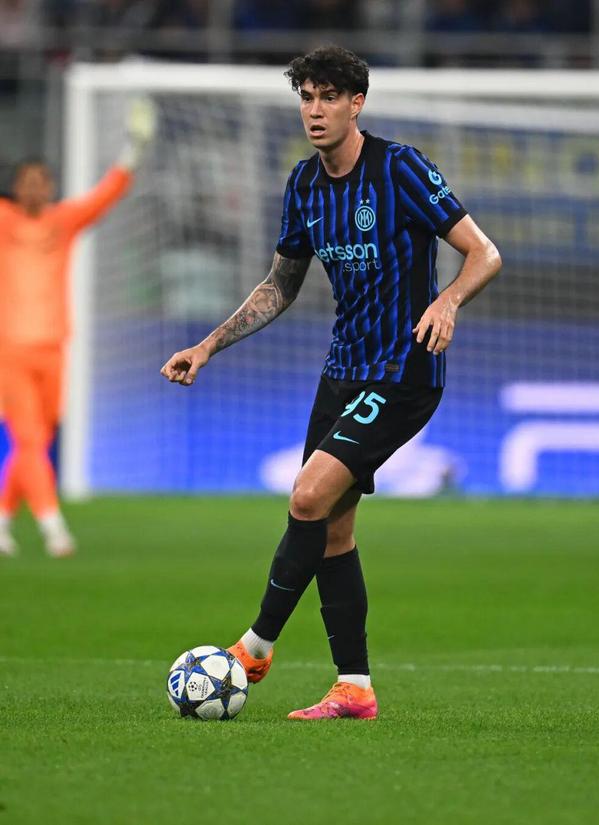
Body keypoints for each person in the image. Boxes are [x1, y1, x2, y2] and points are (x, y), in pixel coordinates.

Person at [161, 46, 501, 720]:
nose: (314, 110)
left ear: (356, 104)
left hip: (403, 371)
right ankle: (355, 686)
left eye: (328, 97)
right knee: (333, 531)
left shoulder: (400, 168)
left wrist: (448, 301)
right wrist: (207, 344)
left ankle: (255, 646)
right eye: (307, 97)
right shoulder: (304, 184)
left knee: (307, 495)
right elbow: (279, 285)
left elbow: (483, 253)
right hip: (342, 371)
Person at [0, 99, 156, 558]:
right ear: (15, 188)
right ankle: (54, 529)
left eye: (41, 181)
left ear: (50, 187)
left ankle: (3, 520)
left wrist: (133, 150)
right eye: (27, 181)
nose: (34, 188)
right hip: (10, 351)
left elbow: (105, 195)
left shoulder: (62, 222)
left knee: (37, 441)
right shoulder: (3, 221)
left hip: (54, 348)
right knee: (29, 440)